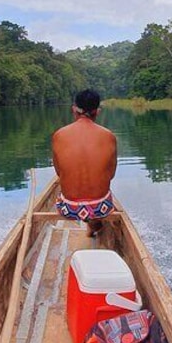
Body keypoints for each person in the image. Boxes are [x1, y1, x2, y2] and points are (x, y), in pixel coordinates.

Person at [52, 89, 118, 236]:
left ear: (74, 109)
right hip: (101, 207)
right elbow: (111, 174)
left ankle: (90, 223)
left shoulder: (59, 135)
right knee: (101, 195)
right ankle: (94, 223)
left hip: (69, 209)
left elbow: (59, 172)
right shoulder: (109, 136)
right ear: (97, 112)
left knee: (63, 192)